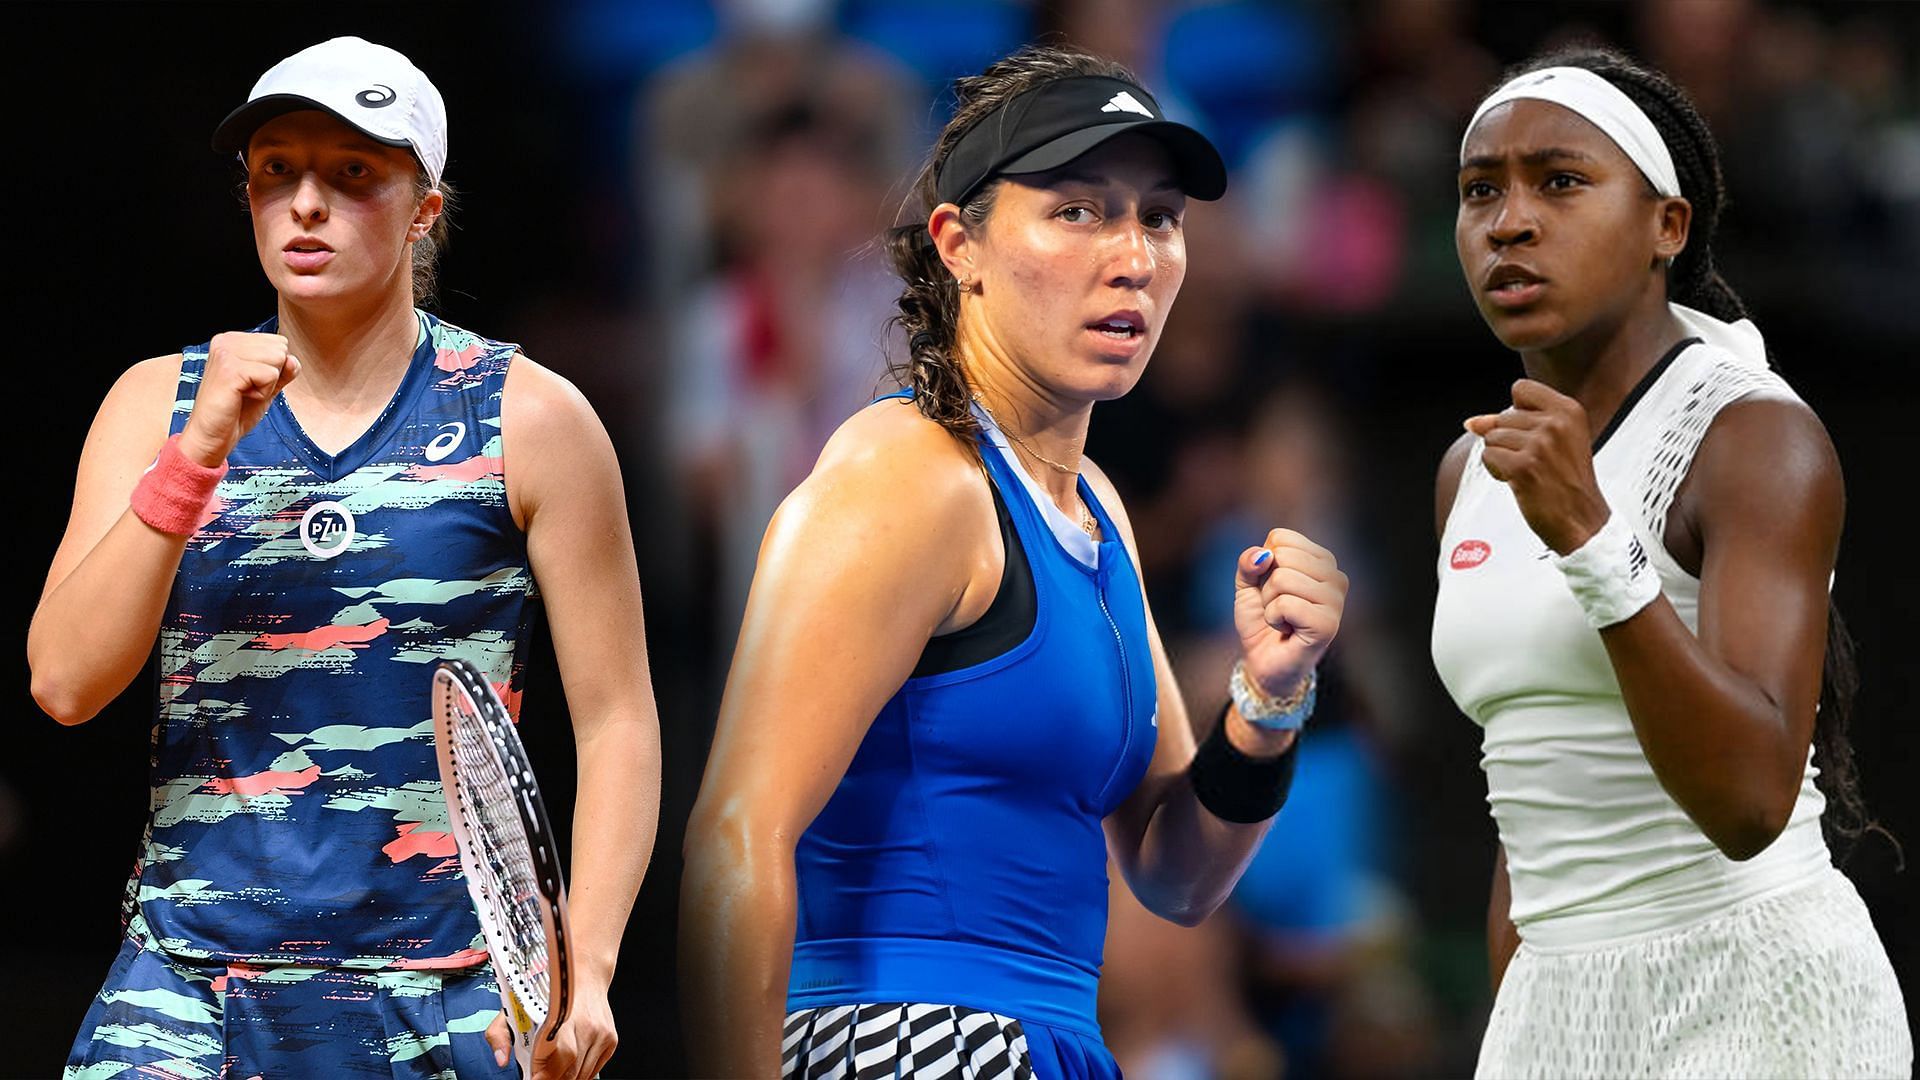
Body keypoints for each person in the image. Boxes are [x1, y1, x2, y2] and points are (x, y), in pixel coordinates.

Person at [680, 46, 1349, 1078]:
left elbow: (1176, 873)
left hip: (1056, 1046)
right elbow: (735, 831)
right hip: (903, 1044)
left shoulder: (1098, 515)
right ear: (960, 244)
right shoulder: (908, 477)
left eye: (1158, 217)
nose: (1132, 255)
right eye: (1078, 212)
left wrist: (1266, 699)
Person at [30, 37, 660, 1079]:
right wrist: (196, 458)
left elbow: (619, 719)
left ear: (425, 210)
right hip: (187, 994)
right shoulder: (157, 404)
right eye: (277, 172)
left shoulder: (530, 417)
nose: (306, 204)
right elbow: (64, 682)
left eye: (352, 175)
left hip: (450, 997)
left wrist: (581, 968)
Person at [1432, 45, 1910, 1078]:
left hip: (1762, 994)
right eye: (1481, 191)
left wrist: (1594, 542)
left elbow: (1747, 802)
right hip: (1555, 1007)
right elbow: (1527, 795)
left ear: (1668, 225)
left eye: (1561, 182)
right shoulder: (1467, 468)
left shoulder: (1754, 439)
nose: (1510, 221)